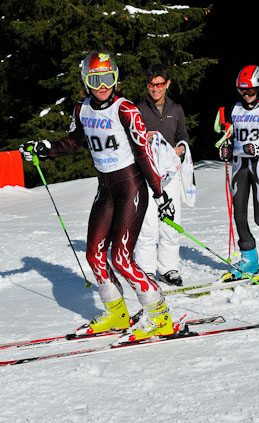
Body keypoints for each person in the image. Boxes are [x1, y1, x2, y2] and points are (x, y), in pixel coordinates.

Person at [19, 51, 176, 342]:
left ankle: (159, 316)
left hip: (131, 187)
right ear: (86, 81)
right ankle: (116, 313)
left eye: (107, 78)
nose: (102, 85)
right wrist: (45, 148)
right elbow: (73, 141)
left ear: (115, 79)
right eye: (95, 79)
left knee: (121, 258)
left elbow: (143, 152)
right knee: (94, 255)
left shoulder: (126, 109)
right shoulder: (82, 109)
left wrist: (159, 192)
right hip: (105, 188)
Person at [135, 64, 191, 286]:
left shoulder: (175, 109)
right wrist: (143, 139)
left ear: (167, 84)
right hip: (147, 175)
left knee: (170, 222)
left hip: (170, 175)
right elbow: (131, 138)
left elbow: (182, 135)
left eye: (159, 84)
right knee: (147, 225)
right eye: (151, 84)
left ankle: (168, 269)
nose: (155, 89)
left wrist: (182, 147)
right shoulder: (138, 109)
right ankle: (146, 270)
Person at [217, 65, 259, 280]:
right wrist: (225, 146)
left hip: (258, 164)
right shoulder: (234, 109)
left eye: (251, 91)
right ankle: (249, 258)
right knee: (239, 214)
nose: (247, 95)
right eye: (243, 91)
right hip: (239, 166)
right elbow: (227, 136)